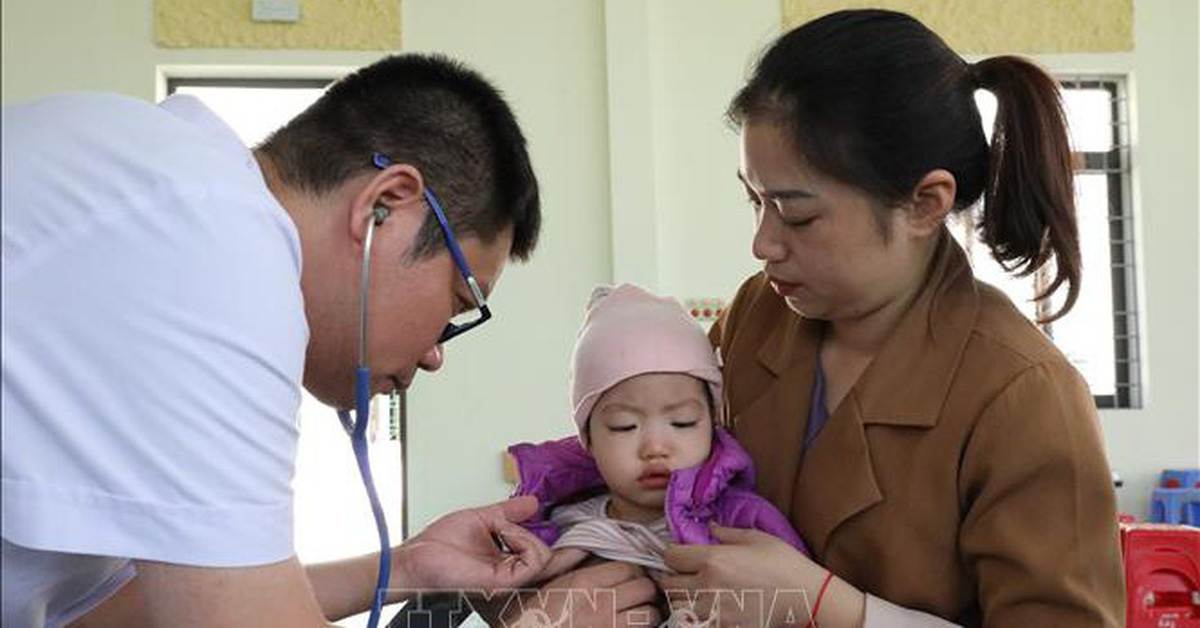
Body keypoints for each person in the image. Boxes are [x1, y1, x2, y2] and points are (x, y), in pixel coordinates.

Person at [2, 54, 552, 627]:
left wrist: (409, 568)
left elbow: (95, 616)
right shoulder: (217, 243)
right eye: (459, 301)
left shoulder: (156, 181)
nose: (437, 353)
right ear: (385, 205)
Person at [655, 9, 1126, 628]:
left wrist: (832, 610)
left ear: (925, 204)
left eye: (795, 215)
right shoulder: (758, 317)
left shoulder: (1023, 393)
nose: (763, 243)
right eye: (754, 200)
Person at [480, 284, 805, 626]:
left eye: (682, 422)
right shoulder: (550, 532)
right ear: (587, 440)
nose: (655, 448)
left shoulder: (743, 522)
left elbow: (798, 609)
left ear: (713, 426)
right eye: (624, 426)